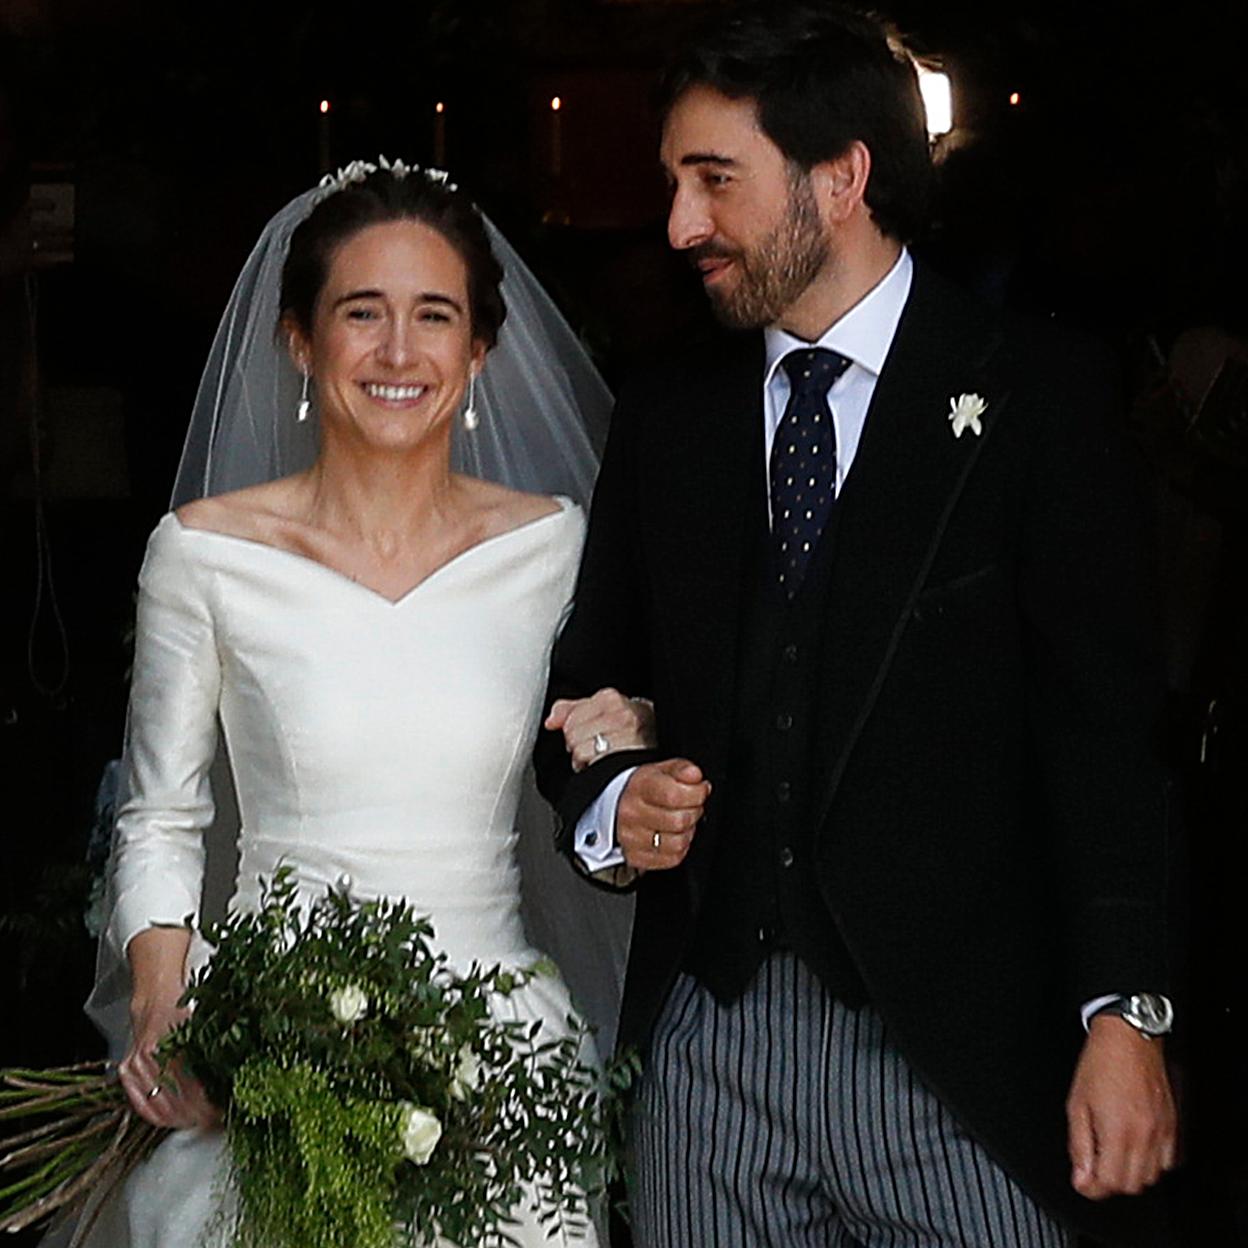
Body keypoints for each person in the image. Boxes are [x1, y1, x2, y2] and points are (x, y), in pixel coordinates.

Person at [535, 4, 1179, 1246]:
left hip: (962, 1067)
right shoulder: (667, 417)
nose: (678, 227)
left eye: (714, 180)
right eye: (675, 183)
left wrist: (1125, 1015)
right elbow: (588, 682)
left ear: (841, 178)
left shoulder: (1039, 397)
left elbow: (1106, 733)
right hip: (707, 1063)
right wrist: (619, 802)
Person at [88, 162, 648, 1248]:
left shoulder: (559, 549)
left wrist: (626, 748)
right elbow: (161, 815)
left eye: (434, 317)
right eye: (362, 314)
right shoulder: (205, 553)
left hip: (501, 1065)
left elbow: (609, 770)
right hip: (273, 1056)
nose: (399, 353)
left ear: (480, 351)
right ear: (299, 339)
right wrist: (168, 1012)